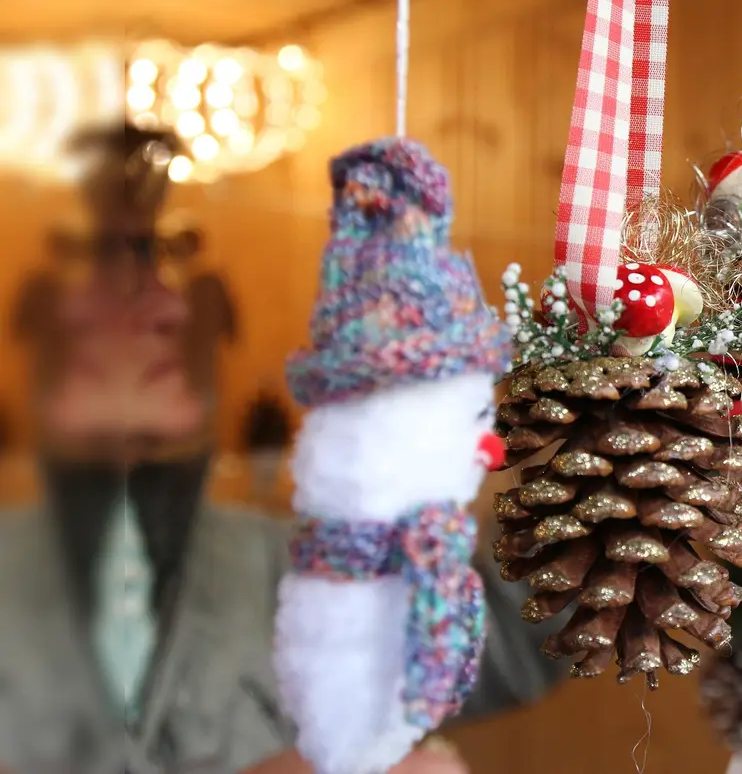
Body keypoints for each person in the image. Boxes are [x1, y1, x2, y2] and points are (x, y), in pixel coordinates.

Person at [0, 123, 565, 774]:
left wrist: (605, 452)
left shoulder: (286, 560)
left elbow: (514, 632)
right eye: (109, 259)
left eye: (167, 259)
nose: (170, 310)